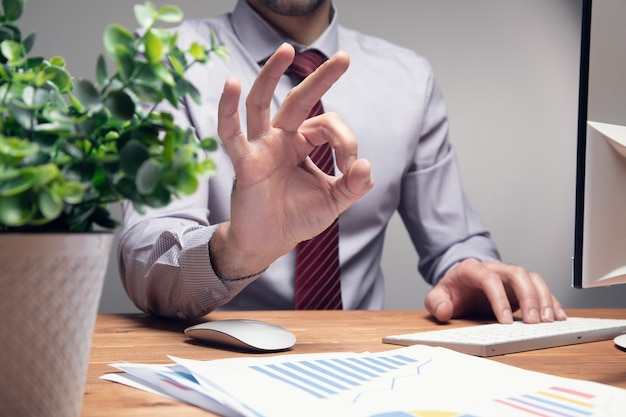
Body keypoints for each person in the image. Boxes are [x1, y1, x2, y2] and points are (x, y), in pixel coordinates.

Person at [118, 0, 567, 324]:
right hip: (206, 365)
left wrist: (472, 270)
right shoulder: (162, 60)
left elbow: (453, 243)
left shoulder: (409, 79)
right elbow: (144, 258)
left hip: (360, 366)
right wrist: (239, 249)